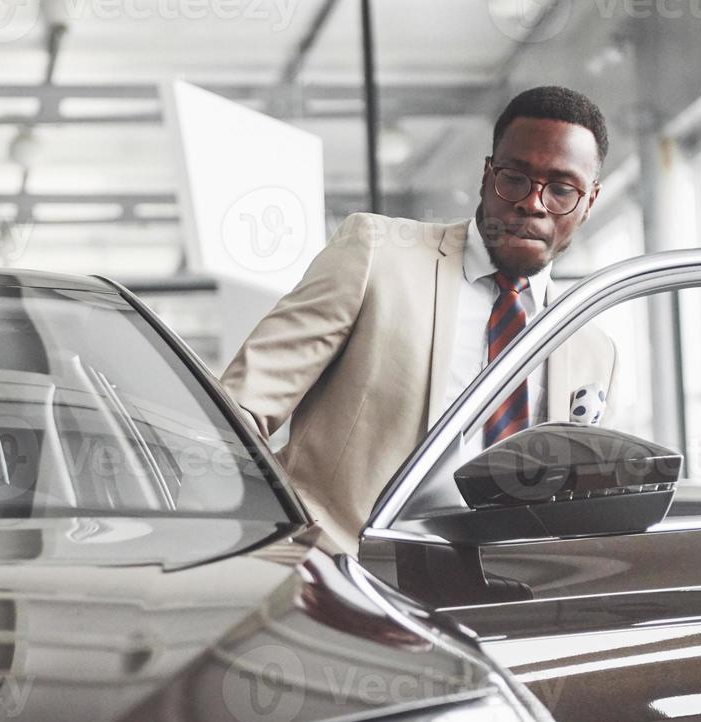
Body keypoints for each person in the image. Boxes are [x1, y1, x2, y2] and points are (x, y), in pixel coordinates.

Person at [222, 85, 618, 552]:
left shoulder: (591, 350)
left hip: (496, 600)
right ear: (486, 175)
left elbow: (582, 504)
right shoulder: (378, 253)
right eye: (514, 178)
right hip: (334, 577)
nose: (532, 203)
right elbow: (239, 412)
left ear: (590, 201)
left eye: (560, 190)